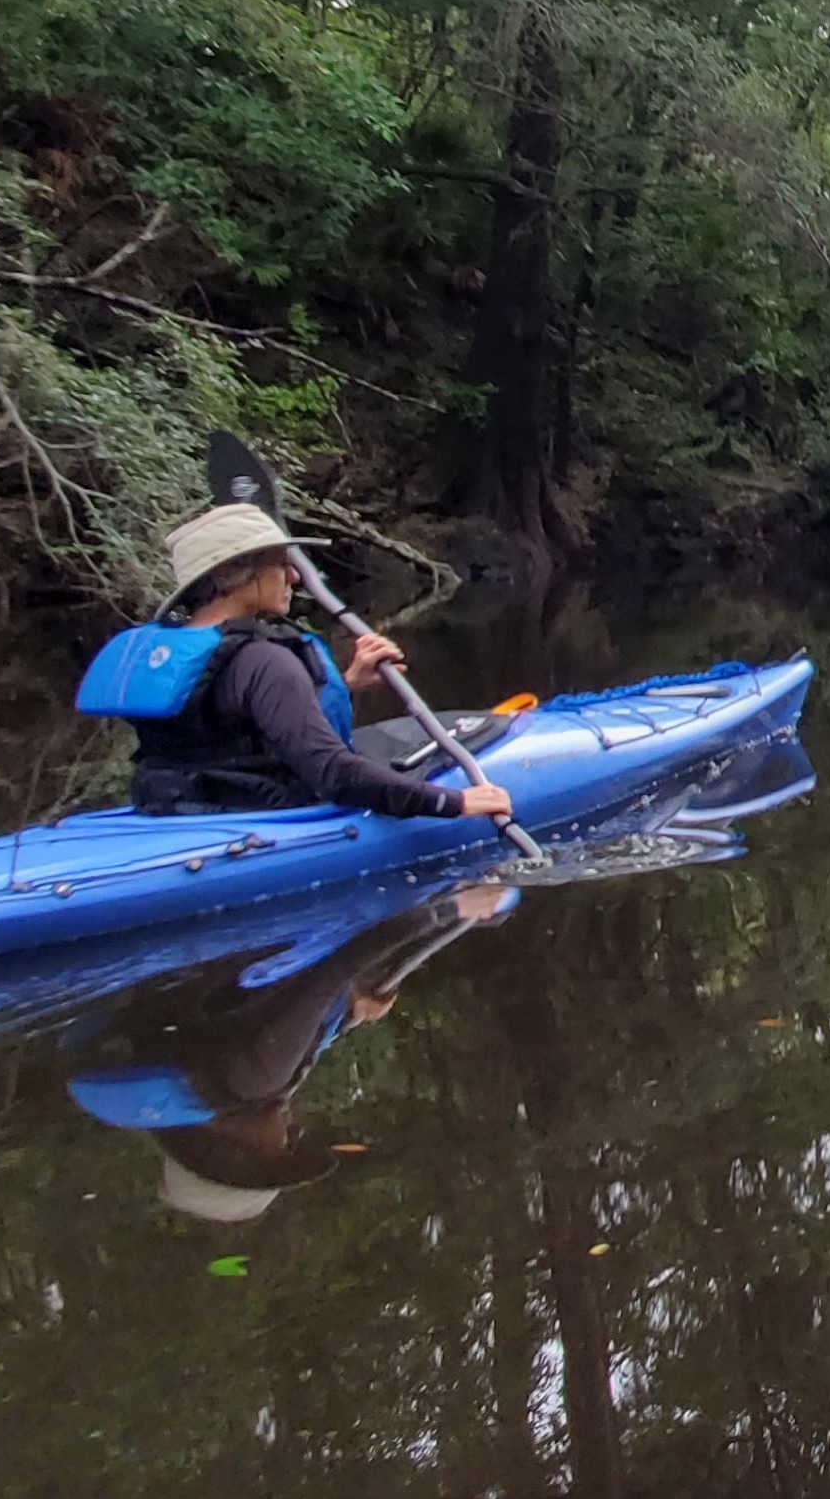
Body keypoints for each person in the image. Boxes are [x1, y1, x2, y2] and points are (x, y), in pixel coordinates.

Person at [72, 882, 516, 1224]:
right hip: (198, 954)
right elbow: (283, 1024)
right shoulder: (211, 1091)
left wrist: (454, 908)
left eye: (287, 1148)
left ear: (238, 1152)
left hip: (254, 921)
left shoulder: (253, 1080)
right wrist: (350, 1008)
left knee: (493, 909)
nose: (297, 1132)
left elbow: (334, 968)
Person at [103, 501, 515, 824]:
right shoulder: (262, 660)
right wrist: (453, 801)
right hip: (261, 817)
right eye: (282, 565)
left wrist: (344, 683)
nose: (296, 578)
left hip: (172, 809)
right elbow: (333, 774)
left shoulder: (173, 652)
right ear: (243, 576)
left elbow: (220, 728)